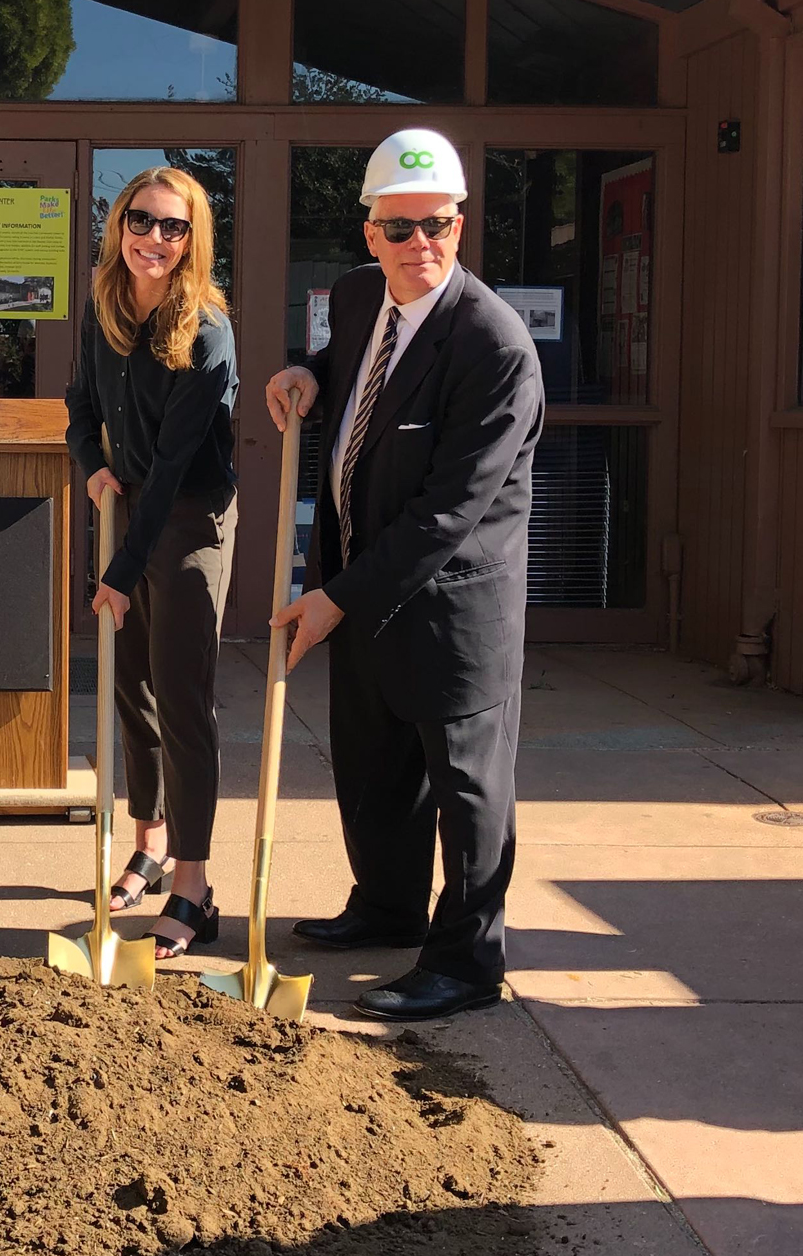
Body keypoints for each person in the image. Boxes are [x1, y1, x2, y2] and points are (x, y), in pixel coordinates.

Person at [266, 129, 544, 1021]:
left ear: (460, 225)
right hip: (365, 589)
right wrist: (305, 374)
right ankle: (386, 908)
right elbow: (353, 372)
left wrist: (333, 600)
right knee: (375, 765)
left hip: (452, 606)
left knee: (467, 794)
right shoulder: (356, 299)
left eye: (439, 225)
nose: (420, 244)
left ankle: (465, 962)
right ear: (368, 232)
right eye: (399, 228)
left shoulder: (494, 346)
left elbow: (445, 514)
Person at [64, 167, 238, 960]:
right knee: (129, 687)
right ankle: (151, 839)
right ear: (119, 225)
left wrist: (122, 569)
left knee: (181, 697)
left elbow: (173, 469)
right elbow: (80, 408)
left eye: (174, 227)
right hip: (128, 507)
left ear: (192, 239)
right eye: (142, 221)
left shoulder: (206, 333)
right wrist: (88, 466)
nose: (155, 240)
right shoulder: (104, 309)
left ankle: (194, 885)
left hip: (190, 520)